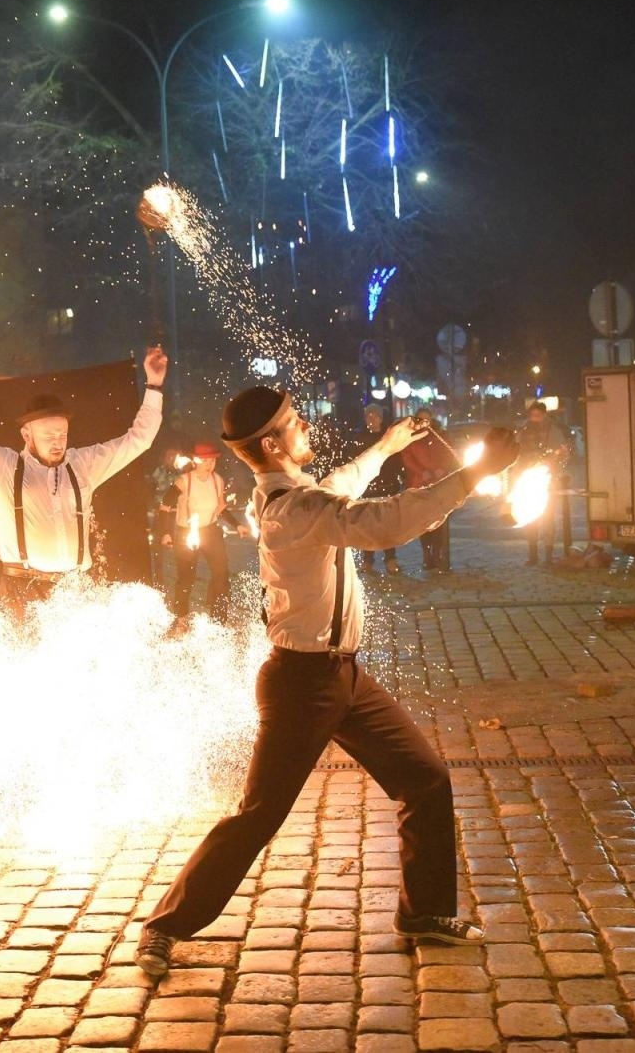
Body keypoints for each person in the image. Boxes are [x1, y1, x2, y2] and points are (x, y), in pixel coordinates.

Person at [135, 387, 519, 976]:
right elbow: (386, 522)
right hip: (300, 685)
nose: (305, 423)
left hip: (344, 679)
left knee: (425, 781)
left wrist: (388, 444)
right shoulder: (294, 511)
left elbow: (345, 481)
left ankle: (423, 913)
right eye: (294, 421)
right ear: (272, 444)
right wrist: (471, 476)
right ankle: (164, 926)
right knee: (258, 816)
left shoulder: (307, 497)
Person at [0, 345, 166, 616]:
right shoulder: (4, 467)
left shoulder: (83, 465)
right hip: (23, 591)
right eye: (49, 435)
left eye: (62, 434)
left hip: (76, 589)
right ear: (27, 435)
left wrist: (154, 385)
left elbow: (138, 440)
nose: (58, 442)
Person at [159, 442, 248, 620]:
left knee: (221, 575)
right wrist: (166, 532)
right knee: (186, 578)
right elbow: (165, 506)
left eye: (213, 461)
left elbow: (220, 508)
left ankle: (219, 618)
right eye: (207, 461)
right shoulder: (184, 481)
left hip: (211, 532)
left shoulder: (217, 481)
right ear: (197, 461)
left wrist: (237, 524)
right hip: (187, 534)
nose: (211, 465)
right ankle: (181, 618)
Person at [516, 400, 572, 565]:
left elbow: (563, 454)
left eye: (537, 415)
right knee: (530, 518)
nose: (534, 418)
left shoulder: (553, 431)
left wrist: (555, 465)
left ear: (544, 415)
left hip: (548, 478)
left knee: (548, 518)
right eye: (532, 415)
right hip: (527, 478)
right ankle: (533, 554)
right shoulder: (524, 431)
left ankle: (548, 555)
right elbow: (517, 453)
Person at [400, 413, 459, 573]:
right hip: (420, 483)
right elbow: (407, 458)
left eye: (427, 418)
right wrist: (422, 472)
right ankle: (428, 555)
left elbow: (449, 454)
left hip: (440, 482)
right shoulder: (411, 436)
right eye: (421, 418)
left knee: (441, 520)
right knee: (424, 522)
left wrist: (442, 469)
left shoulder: (441, 435)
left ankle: (440, 554)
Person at [355, 406, 405, 575]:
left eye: (374, 415)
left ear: (380, 418)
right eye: (368, 415)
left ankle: (391, 559)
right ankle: (367, 562)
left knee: (387, 526)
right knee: (368, 527)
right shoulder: (359, 438)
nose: (371, 419)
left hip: (387, 486)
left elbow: (395, 460)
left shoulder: (386, 438)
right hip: (368, 488)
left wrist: (395, 478)